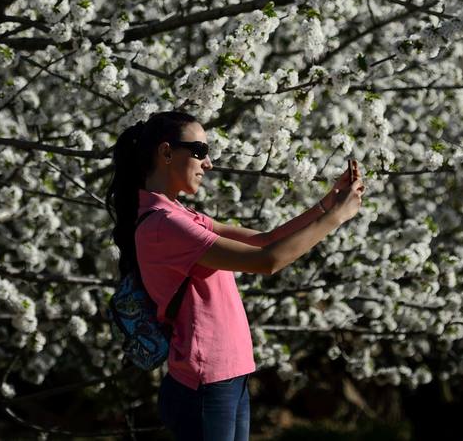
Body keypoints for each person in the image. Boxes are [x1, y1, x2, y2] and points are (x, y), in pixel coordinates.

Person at [104, 110, 365, 441]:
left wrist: (329, 203)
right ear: (167, 153)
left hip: (227, 376)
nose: (208, 163)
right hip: (204, 383)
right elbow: (268, 260)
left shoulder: (179, 214)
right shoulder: (163, 226)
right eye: (199, 151)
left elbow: (264, 239)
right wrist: (337, 218)